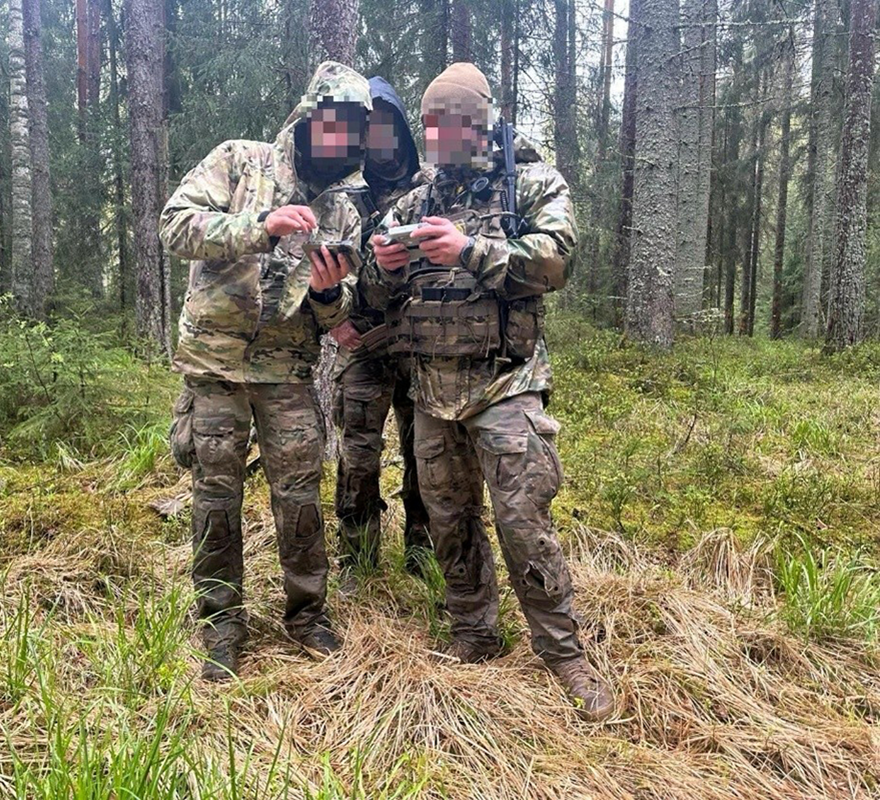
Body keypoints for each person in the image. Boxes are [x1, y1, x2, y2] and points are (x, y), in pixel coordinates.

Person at [312, 62, 614, 722]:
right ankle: (474, 632)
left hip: (505, 384)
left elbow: (556, 261)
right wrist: (383, 270)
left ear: (478, 121)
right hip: (431, 389)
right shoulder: (417, 198)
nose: (436, 134)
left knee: (522, 520)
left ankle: (564, 655)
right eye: (428, 123)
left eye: (448, 122)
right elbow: (372, 302)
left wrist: (470, 250)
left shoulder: (530, 180)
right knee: (449, 521)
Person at [160, 61, 368, 682]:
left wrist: (331, 295)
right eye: (334, 125)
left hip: (287, 373)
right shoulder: (239, 162)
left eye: (354, 132)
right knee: (215, 495)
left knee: (300, 495)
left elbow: (340, 312)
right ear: (308, 119)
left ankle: (307, 615)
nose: (343, 141)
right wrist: (260, 227)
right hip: (216, 368)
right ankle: (220, 624)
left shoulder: (342, 212)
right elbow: (175, 226)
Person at [325, 77, 433, 582]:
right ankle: (358, 559)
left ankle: (424, 551)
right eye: (370, 130)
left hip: (424, 346)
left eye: (388, 128)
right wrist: (333, 320)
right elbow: (319, 270)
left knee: (427, 454)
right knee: (357, 456)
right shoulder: (346, 196)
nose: (380, 141)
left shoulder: (432, 188)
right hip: (365, 346)